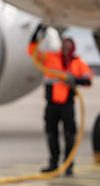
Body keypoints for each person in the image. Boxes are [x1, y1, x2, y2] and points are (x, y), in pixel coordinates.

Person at [28, 28, 92, 175]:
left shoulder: (77, 63)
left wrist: (75, 80)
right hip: (52, 105)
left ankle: (68, 164)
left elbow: (88, 80)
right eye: (64, 44)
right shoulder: (50, 58)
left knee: (70, 135)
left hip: (67, 105)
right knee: (51, 134)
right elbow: (31, 51)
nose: (65, 47)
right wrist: (36, 34)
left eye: (68, 45)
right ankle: (53, 163)